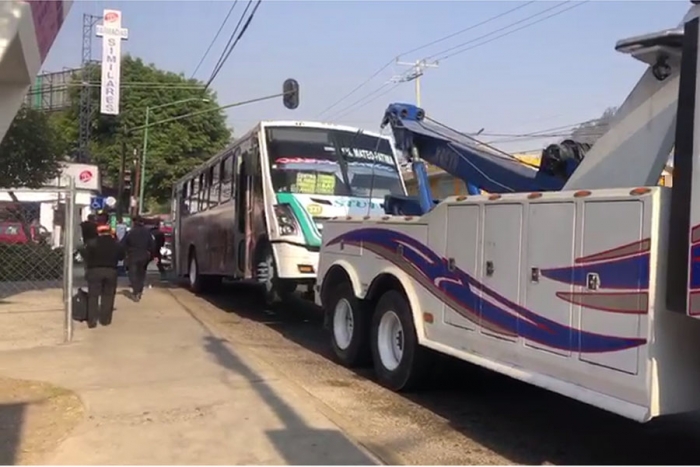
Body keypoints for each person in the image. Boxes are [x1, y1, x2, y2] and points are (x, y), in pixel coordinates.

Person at [83, 224, 124, 328]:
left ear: (98, 232)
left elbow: (86, 257)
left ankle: (92, 320)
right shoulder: (116, 244)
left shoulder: (91, 243)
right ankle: (105, 320)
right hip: (111, 271)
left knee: (93, 295)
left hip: (94, 270)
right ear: (110, 232)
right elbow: (121, 257)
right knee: (108, 295)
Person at [121, 215, 155, 301]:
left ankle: (136, 291)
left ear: (133, 222)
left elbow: (123, 244)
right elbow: (152, 244)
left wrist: (125, 253)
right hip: (144, 255)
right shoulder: (147, 232)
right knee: (141, 273)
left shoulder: (130, 232)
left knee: (133, 274)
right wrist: (151, 254)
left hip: (133, 255)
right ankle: (140, 289)